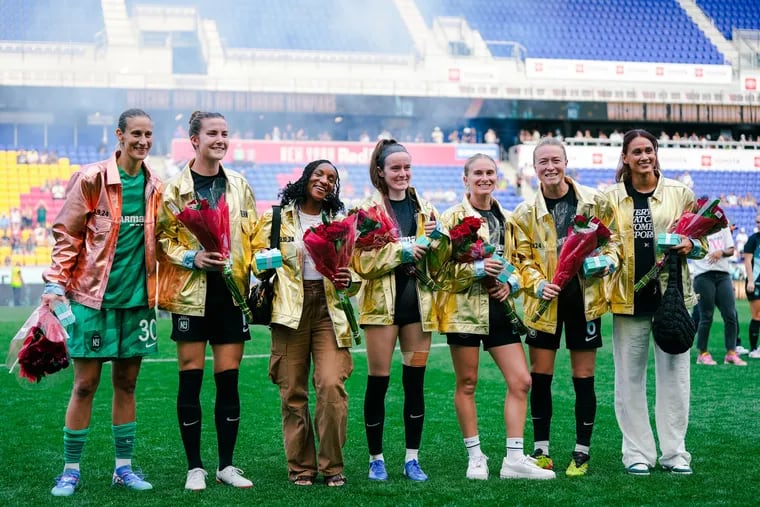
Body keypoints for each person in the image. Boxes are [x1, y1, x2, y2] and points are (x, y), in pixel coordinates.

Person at [42, 108, 161, 496]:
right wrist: (56, 285)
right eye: (136, 134)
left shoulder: (155, 185)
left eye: (148, 134)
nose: (143, 141)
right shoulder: (92, 178)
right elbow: (68, 235)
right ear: (119, 135)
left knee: (127, 384)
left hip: (137, 301)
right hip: (90, 299)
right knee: (84, 385)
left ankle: (123, 468)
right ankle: (70, 469)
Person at [157, 111, 257, 491]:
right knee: (190, 380)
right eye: (212, 133)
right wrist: (192, 257)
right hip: (190, 295)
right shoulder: (173, 189)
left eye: (225, 133)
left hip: (231, 294)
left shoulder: (240, 185)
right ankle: (194, 467)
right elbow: (162, 241)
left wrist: (260, 266)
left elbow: (255, 233)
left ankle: (226, 466)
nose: (220, 139)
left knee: (228, 382)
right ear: (194, 140)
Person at [437, 154, 555, 481]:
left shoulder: (506, 216)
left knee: (521, 380)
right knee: (468, 382)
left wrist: (510, 285)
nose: (485, 178)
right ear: (465, 179)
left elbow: (516, 263)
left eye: (490, 172)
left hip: (499, 309)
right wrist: (476, 269)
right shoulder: (451, 218)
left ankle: (514, 460)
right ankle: (475, 457)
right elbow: (439, 273)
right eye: (478, 173)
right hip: (463, 311)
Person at [513, 137, 619, 477]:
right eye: (542, 162)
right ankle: (541, 451)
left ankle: (582, 451)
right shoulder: (524, 212)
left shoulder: (594, 201)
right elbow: (521, 258)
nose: (550, 167)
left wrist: (604, 261)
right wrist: (537, 283)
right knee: (540, 378)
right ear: (534, 168)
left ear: (566, 161)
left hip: (584, 301)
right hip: (544, 305)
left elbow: (615, 242)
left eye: (555, 160)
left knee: (583, 377)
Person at [605, 129, 707, 476]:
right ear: (625, 158)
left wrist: (690, 247)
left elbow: (703, 242)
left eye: (649, 150)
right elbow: (605, 246)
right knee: (629, 379)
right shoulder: (611, 198)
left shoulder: (680, 193)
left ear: (656, 153)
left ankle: (675, 453)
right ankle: (636, 452)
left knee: (675, 379)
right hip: (628, 299)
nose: (644, 157)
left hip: (673, 299)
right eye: (637, 152)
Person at [252, 160, 356, 487]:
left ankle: (332, 466)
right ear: (306, 177)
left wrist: (348, 280)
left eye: (332, 179)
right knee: (293, 392)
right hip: (288, 311)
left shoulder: (340, 221)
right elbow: (254, 265)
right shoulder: (276, 217)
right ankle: (301, 468)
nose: (324, 181)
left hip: (329, 310)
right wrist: (263, 263)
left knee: (331, 387)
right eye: (319, 174)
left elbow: (357, 276)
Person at [352, 138, 448, 482]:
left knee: (415, 383)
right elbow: (359, 262)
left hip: (418, 309)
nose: (402, 173)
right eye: (395, 168)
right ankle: (376, 458)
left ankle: (412, 458)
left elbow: (438, 263)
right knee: (378, 382)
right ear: (381, 171)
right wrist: (401, 253)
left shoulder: (427, 210)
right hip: (381, 308)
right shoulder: (367, 212)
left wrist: (440, 243)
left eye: (407, 167)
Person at [692, 226, 746, 366]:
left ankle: (731, 353)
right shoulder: (697, 227)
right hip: (703, 275)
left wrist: (721, 252)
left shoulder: (723, 226)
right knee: (706, 316)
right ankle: (702, 353)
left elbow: (731, 249)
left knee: (730, 315)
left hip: (723, 275)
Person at [744, 212, 760, 358]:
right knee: (757, 315)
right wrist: (750, 280)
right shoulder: (753, 239)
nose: (758, 224)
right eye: (757, 222)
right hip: (755, 282)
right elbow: (748, 260)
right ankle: (753, 349)